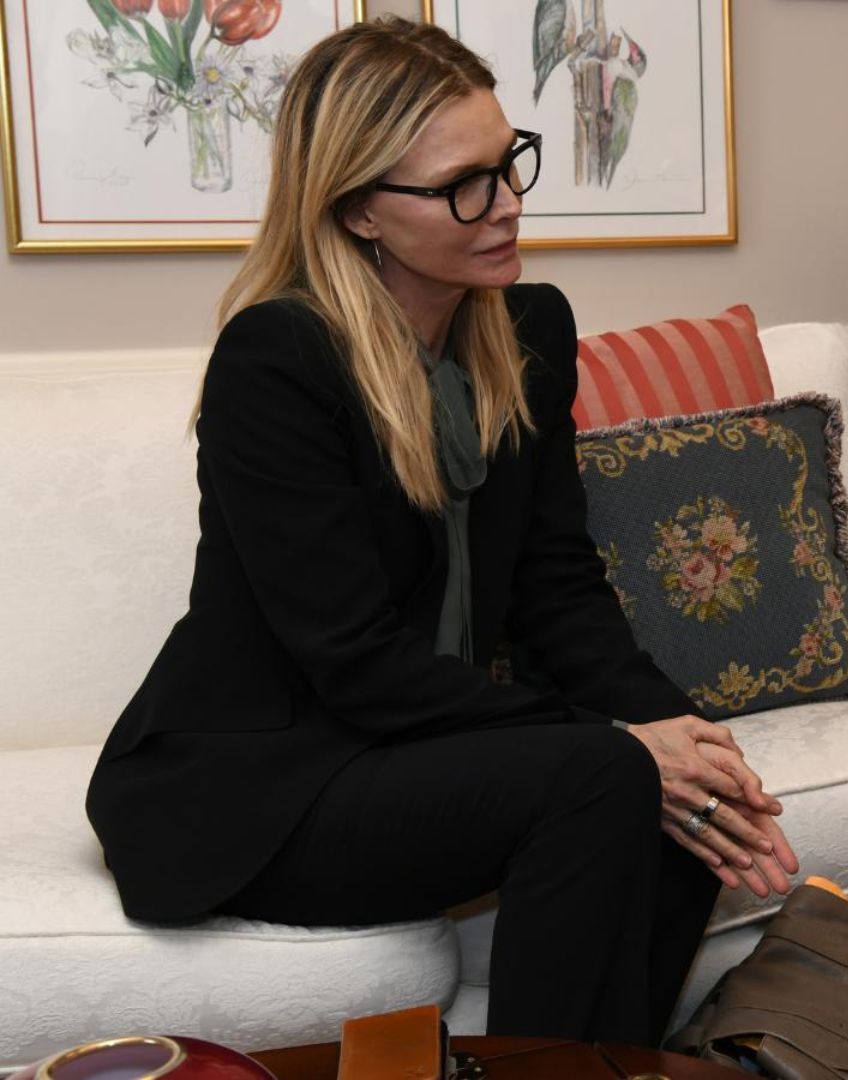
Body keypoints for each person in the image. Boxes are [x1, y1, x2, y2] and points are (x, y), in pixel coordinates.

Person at [85, 17, 799, 1044]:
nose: (507, 204)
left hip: (424, 751)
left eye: (510, 165)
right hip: (273, 785)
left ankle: (610, 1069)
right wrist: (618, 741)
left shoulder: (527, 330)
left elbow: (558, 588)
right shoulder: (276, 361)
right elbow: (356, 664)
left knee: (682, 793)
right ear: (361, 209)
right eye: (466, 183)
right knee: (608, 772)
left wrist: (687, 738)